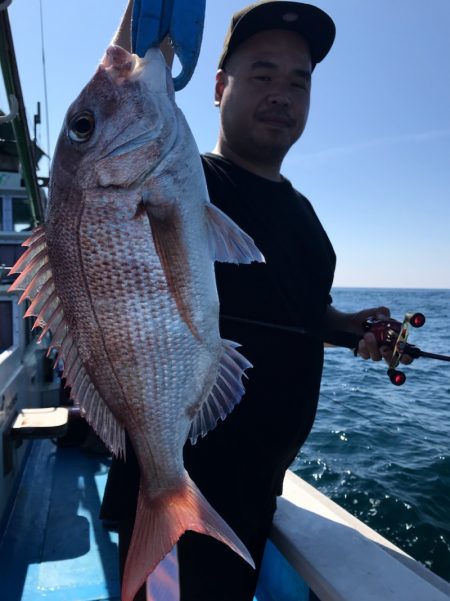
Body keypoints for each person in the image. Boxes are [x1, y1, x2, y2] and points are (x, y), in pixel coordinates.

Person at [101, 2, 411, 599]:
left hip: (257, 494)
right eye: (262, 75)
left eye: (299, 81)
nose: (282, 94)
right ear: (218, 88)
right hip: (174, 485)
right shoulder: (177, 182)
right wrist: (142, 20)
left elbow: (297, 314)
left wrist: (347, 326)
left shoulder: (307, 222)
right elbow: (113, 121)